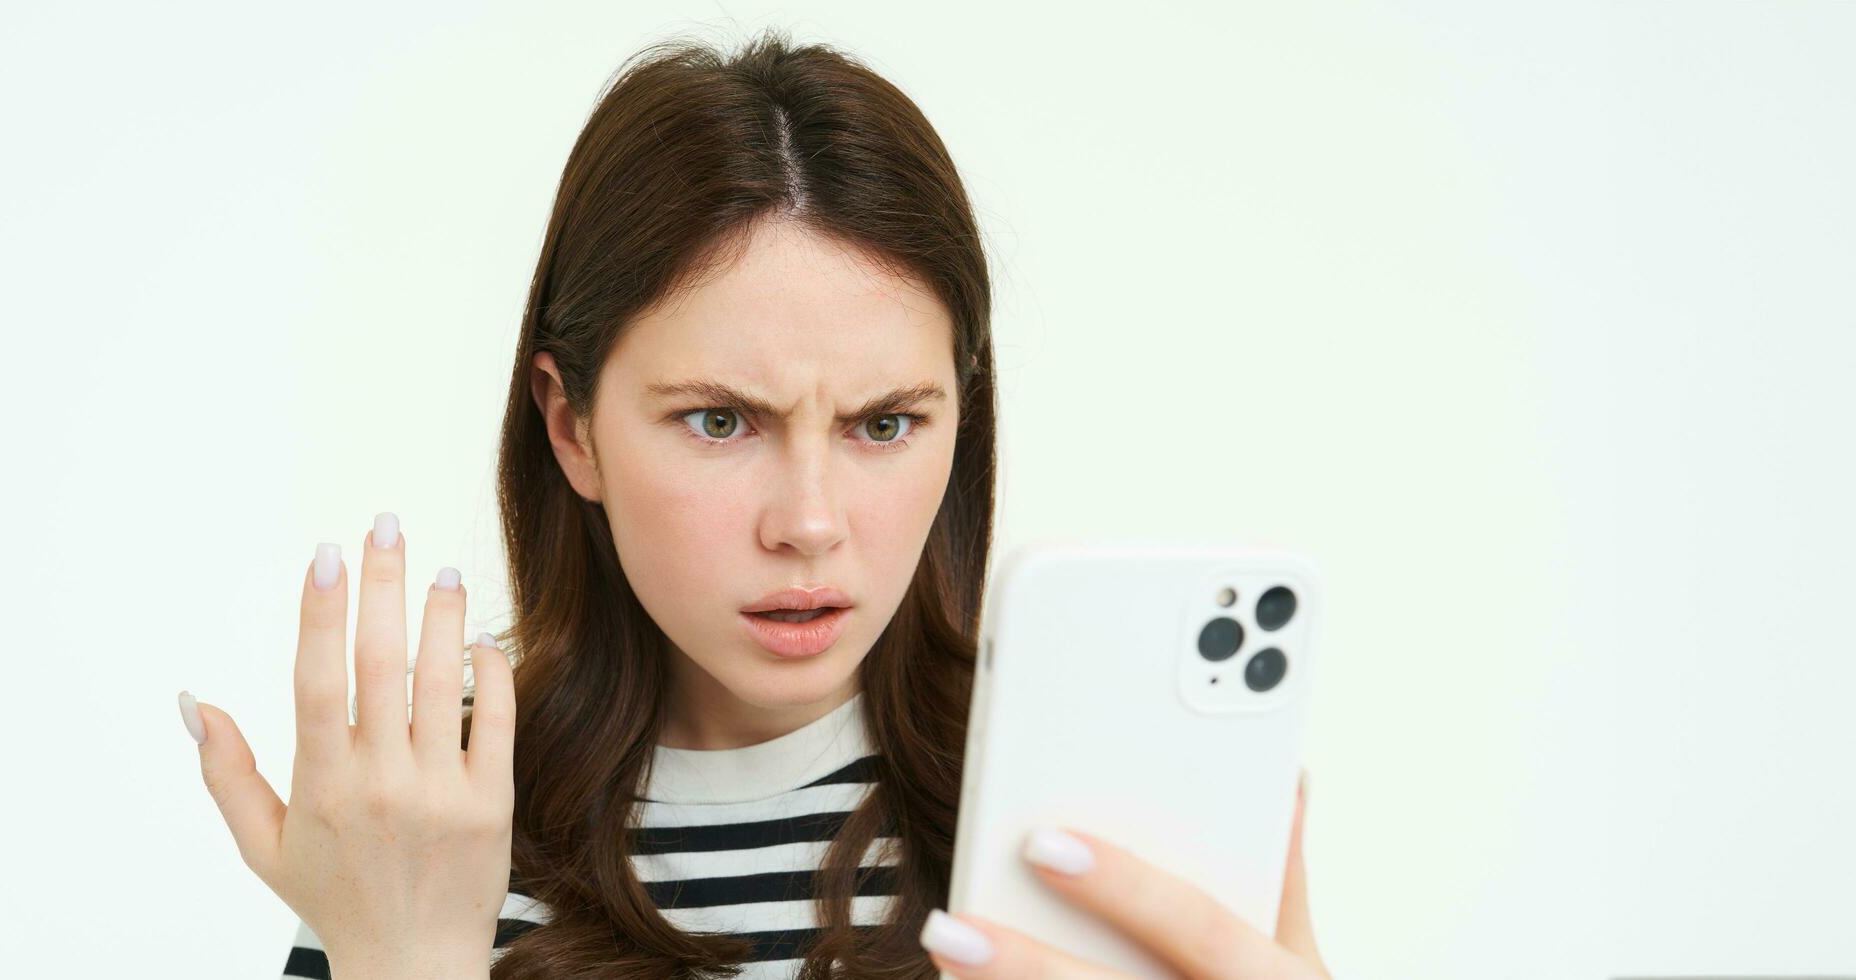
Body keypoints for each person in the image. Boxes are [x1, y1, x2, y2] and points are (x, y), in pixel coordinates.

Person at [179, 29, 1328, 980]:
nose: (810, 522)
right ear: (570, 424)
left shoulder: (1084, 806)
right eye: (719, 420)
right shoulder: (425, 831)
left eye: (885, 423)